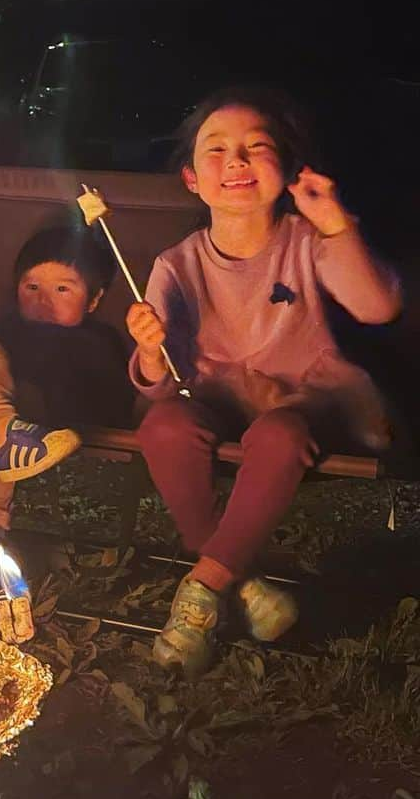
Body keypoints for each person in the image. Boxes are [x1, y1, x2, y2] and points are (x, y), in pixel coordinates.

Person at [126, 86, 402, 677]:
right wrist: (150, 352)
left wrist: (333, 222)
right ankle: (245, 583)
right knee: (164, 426)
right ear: (192, 179)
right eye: (216, 150)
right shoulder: (176, 265)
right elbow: (157, 385)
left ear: (287, 165)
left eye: (257, 147)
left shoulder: (309, 243)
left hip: (307, 398)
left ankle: (201, 590)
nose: (237, 162)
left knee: (279, 434)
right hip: (216, 398)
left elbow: (378, 306)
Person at [0, 216, 133, 586]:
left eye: (63, 289)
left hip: (43, 423)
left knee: (24, 399)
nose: (44, 300)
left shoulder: (99, 344)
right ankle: (5, 440)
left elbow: (109, 406)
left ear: (95, 299)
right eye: (32, 286)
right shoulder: (5, 330)